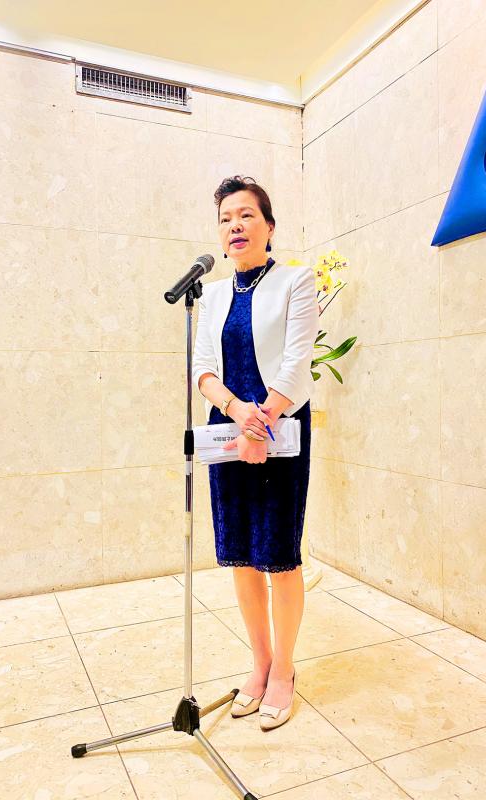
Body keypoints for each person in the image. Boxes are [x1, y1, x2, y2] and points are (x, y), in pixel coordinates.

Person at [192, 175, 319, 730]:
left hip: (280, 429)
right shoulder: (212, 294)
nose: (235, 226)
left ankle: (285, 671)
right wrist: (235, 411)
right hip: (228, 431)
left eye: (246, 215)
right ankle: (260, 664)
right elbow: (203, 369)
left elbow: (296, 363)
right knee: (241, 556)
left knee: (280, 555)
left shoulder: (296, 280)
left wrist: (260, 421)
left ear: (269, 226)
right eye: (225, 219)